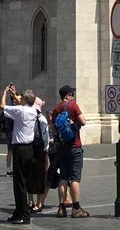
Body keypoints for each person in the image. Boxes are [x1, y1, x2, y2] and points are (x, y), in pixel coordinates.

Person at [1, 83, 40, 224]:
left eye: (21, 97)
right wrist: (15, 93)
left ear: (24, 100)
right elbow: (23, 104)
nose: (19, 98)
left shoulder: (21, 111)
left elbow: (2, 106)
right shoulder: (33, 110)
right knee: (20, 182)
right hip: (29, 149)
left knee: (19, 183)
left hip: (20, 149)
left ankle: (24, 215)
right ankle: (18, 212)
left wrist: (5, 93)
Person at [51, 84, 89, 218]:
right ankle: (76, 208)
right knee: (75, 179)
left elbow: (53, 129)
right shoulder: (73, 106)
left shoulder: (56, 109)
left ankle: (61, 208)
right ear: (67, 95)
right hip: (74, 146)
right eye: (72, 94)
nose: (73, 96)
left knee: (63, 178)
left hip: (62, 147)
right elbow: (83, 122)